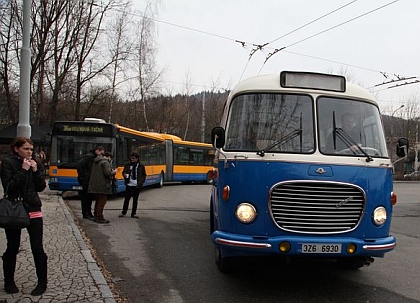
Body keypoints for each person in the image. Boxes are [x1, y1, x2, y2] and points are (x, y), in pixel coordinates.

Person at [0, 137, 48, 296]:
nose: (29, 152)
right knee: (12, 247)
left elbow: (40, 187)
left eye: (31, 149)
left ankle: (42, 283)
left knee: (37, 247)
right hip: (14, 209)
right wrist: (23, 169)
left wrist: (35, 171)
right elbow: (9, 186)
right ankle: (9, 282)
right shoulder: (8, 163)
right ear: (16, 149)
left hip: (33, 207)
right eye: (26, 149)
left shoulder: (35, 162)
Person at [77, 146, 105, 219]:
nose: (101, 155)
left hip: (88, 179)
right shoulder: (89, 157)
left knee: (89, 197)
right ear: (97, 150)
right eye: (101, 153)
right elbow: (79, 165)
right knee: (86, 198)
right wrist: (82, 176)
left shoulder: (92, 156)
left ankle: (88, 213)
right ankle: (86, 213)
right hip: (86, 180)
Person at [88, 151, 116, 223]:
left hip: (95, 185)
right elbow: (107, 173)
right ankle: (100, 217)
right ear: (108, 157)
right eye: (110, 158)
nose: (110, 160)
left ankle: (96, 216)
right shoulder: (105, 162)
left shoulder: (96, 161)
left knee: (98, 201)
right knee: (102, 202)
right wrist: (114, 172)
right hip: (102, 185)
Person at [119, 152, 147, 219]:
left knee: (135, 200)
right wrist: (124, 175)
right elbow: (123, 172)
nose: (132, 159)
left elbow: (144, 175)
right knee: (126, 199)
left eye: (133, 158)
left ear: (137, 159)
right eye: (131, 158)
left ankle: (133, 213)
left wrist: (141, 182)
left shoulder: (141, 166)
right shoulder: (128, 165)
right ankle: (123, 212)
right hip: (129, 184)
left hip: (136, 185)